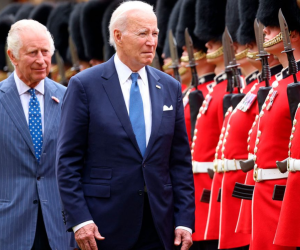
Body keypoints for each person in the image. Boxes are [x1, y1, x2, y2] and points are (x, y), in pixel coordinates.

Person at [56, 1, 195, 250]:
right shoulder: (84, 85)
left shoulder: (170, 87)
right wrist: (80, 220)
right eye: (143, 33)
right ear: (118, 36)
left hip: (159, 225)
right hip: (102, 227)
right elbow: (67, 162)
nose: (152, 41)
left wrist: (184, 220)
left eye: (155, 33)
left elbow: (179, 160)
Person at [0, 19, 75, 249]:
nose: (42, 60)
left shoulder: (69, 97)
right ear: (12, 56)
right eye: (33, 53)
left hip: (60, 228)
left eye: (46, 52)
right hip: (9, 227)